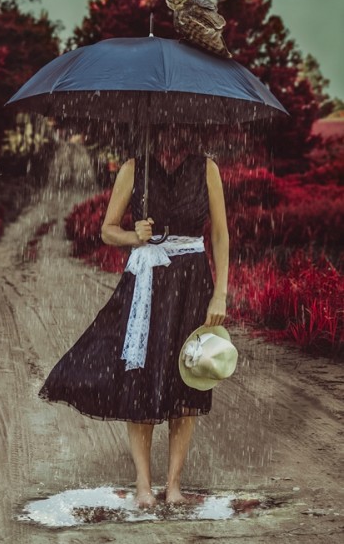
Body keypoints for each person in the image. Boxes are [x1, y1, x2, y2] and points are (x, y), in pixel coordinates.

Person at [38, 129, 229, 508]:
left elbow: (220, 235)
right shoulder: (132, 169)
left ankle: (174, 486)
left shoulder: (207, 168)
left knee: (188, 376)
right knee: (139, 376)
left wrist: (220, 292)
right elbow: (107, 231)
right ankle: (144, 486)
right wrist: (133, 236)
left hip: (193, 281)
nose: (170, 136)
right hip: (147, 281)